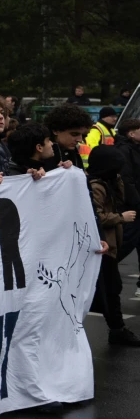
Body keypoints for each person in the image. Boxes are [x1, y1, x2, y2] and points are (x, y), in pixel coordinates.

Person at [87, 146, 140, 346]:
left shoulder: (108, 183)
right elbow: (95, 216)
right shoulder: (96, 187)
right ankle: (117, 330)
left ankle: (117, 329)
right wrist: (120, 218)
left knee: (112, 288)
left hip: (109, 244)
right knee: (110, 289)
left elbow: (120, 199)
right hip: (101, 245)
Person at [45, 104, 94, 170]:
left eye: (83, 135)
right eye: (74, 134)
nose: (80, 140)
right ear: (56, 130)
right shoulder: (42, 156)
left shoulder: (72, 151)